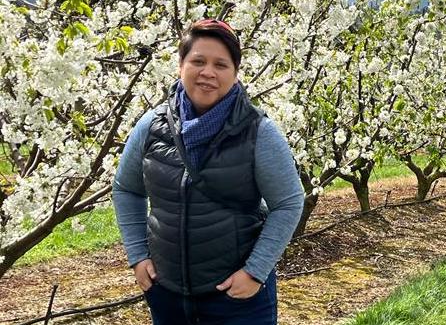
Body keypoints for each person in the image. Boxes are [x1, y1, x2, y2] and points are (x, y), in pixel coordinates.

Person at [113, 19, 304, 324]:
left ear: (235, 73)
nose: (208, 73)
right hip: (167, 294)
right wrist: (138, 255)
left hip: (237, 299)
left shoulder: (259, 132)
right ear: (181, 65)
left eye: (221, 64)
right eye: (198, 61)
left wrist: (255, 271)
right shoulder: (151, 126)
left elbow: (289, 202)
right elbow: (126, 188)